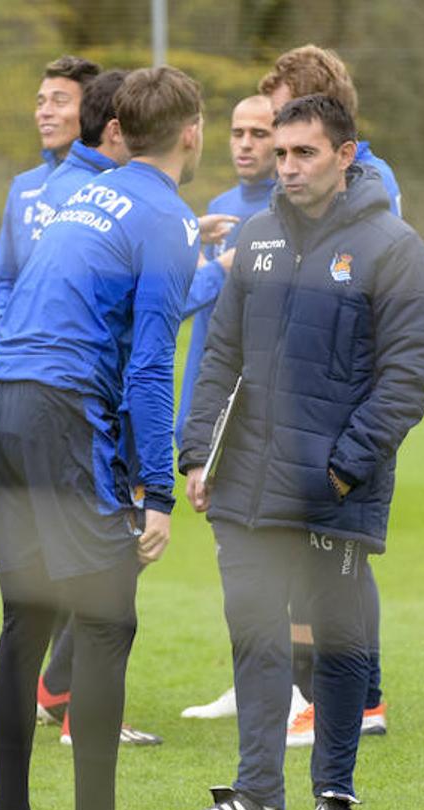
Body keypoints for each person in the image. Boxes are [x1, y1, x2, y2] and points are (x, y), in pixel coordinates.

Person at [167, 94, 424, 810]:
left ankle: (336, 793)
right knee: (257, 639)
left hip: (332, 490)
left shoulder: (394, 249)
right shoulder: (253, 239)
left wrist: (344, 470)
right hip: (247, 487)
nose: (286, 167)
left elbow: (408, 377)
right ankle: (257, 799)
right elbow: (220, 353)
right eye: (280, 154)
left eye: (303, 153)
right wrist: (198, 451)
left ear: (346, 156)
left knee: (341, 642)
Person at [0, 65, 205, 810]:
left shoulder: (76, 197)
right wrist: (158, 490)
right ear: (192, 134)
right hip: (61, 413)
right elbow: (149, 369)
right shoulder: (166, 218)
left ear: (113, 131)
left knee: (27, 618)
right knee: (110, 617)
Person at [257, 44, 403, 745]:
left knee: (339, 554)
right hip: (307, 400)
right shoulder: (310, 182)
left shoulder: (368, 186)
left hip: (343, 404)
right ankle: (331, 694)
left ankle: (353, 698)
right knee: (320, 556)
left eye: (283, 107)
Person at [24, 68, 165, 748]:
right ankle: (82, 712)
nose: (46, 111)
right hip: (92, 403)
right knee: (113, 551)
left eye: (59, 99)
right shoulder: (100, 196)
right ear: (114, 129)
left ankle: (56, 686)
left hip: (42, 393)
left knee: (96, 553)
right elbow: (141, 330)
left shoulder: (64, 191)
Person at [175, 94, 296, 722]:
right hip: (212, 405)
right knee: (234, 561)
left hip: (265, 413)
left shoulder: (291, 207)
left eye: (259, 132)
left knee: (278, 552)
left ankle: (296, 691)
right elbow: (192, 307)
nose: (245, 143)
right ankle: (250, 682)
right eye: (237, 132)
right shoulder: (218, 211)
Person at [0, 55, 101, 337]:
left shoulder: (109, 185)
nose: (44, 112)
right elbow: (3, 277)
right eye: (40, 102)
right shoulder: (23, 187)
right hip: (21, 361)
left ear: (90, 112)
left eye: (59, 101)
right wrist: (5, 326)